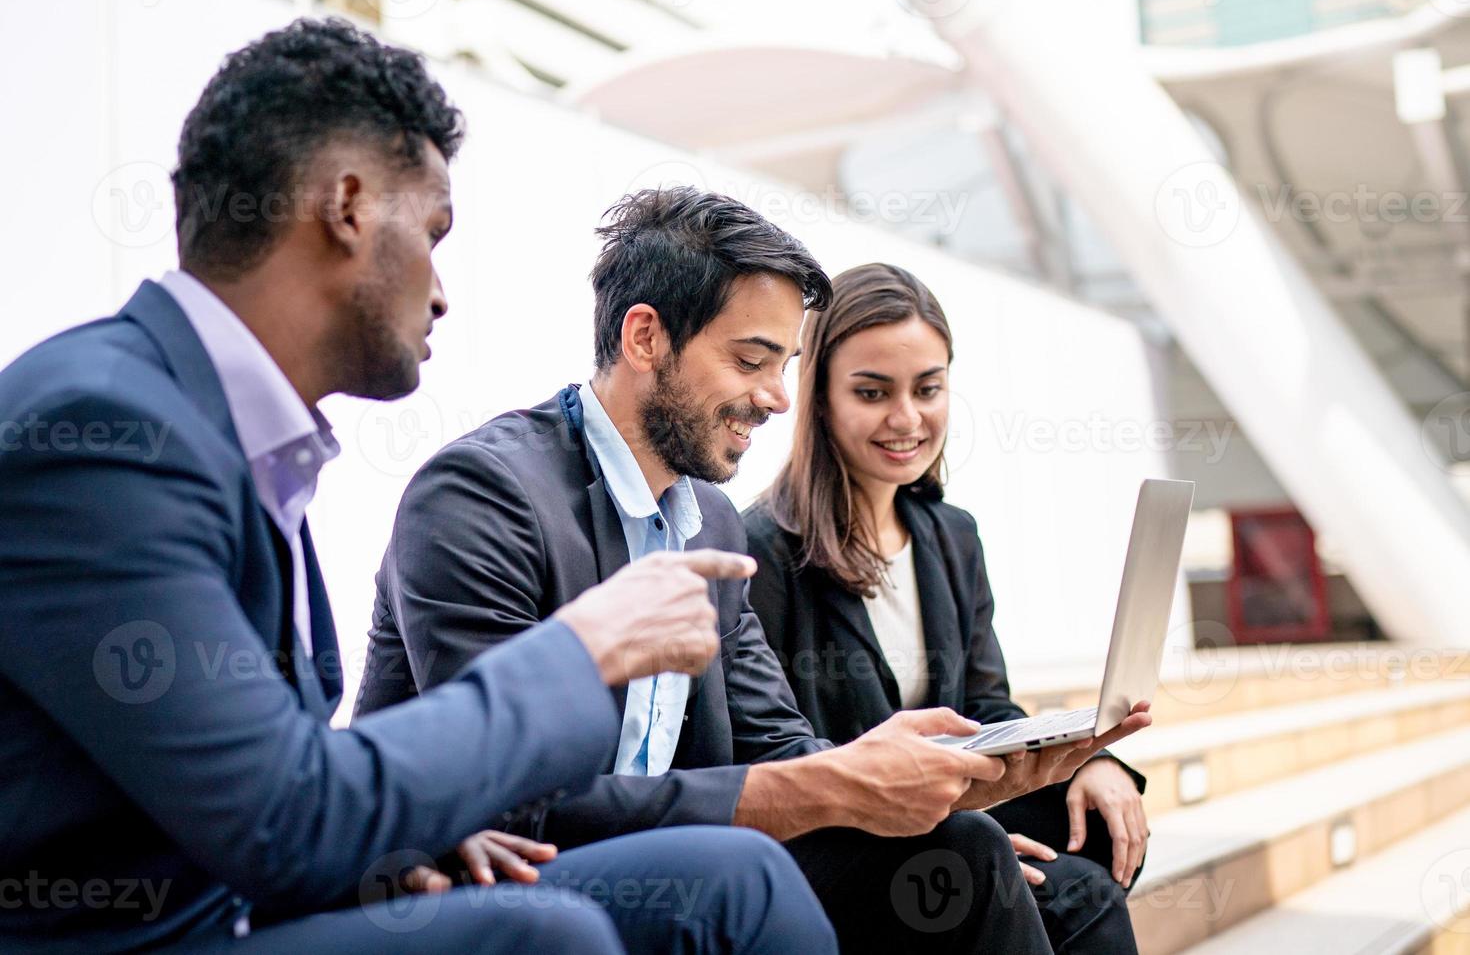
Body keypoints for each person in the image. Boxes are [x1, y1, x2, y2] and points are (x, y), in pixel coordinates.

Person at [0, 18, 838, 955]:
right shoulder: (105, 433)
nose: (441, 290)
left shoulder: (229, 438)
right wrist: (584, 647)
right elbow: (282, 815)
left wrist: (412, 841)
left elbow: (262, 780)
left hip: (257, 897)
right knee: (544, 937)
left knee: (736, 883)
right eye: (434, 234)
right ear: (349, 206)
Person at [355, 186, 1153, 953]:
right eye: (752, 361)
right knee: (822, 873)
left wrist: (947, 782)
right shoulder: (484, 495)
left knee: (970, 853)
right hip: (508, 870)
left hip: (676, 855)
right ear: (646, 338)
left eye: (785, 365)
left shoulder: (707, 516)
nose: (776, 398)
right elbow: (513, 798)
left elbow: (777, 745)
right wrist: (837, 785)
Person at [743, 261, 1150, 953]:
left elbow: (989, 709)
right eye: (872, 392)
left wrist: (1092, 761)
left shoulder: (950, 534)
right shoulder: (765, 550)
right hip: (842, 843)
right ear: (819, 398)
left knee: (1097, 828)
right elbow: (786, 764)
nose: (906, 418)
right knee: (1029, 878)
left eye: (927, 389)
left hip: (949, 818)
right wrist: (965, 830)